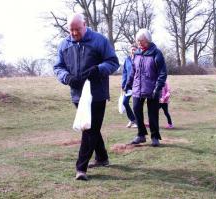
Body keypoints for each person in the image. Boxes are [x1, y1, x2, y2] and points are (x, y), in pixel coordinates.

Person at [53, 13, 119, 181]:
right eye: (71, 29)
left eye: (77, 29)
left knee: (88, 129)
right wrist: (67, 78)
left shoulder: (99, 40)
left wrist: (98, 69)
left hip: (97, 94)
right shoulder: (64, 44)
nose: (74, 33)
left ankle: (81, 168)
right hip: (77, 95)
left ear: (85, 24)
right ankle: (102, 158)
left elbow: (113, 62)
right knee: (91, 128)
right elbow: (58, 67)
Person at [124, 28, 167, 147]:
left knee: (153, 113)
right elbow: (133, 71)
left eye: (140, 40)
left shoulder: (156, 53)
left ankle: (154, 137)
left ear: (147, 40)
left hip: (153, 88)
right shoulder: (136, 53)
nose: (138, 43)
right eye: (137, 40)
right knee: (137, 110)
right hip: (137, 88)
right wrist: (128, 83)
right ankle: (141, 135)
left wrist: (158, 88)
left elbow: (162, 73)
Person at [121, 43, 138, 128]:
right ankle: (132, 119)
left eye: (134, 49)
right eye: (132, 49)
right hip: (128, 85)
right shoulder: (127, 60)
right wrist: (123, 85)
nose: (133, 50)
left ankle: (137, 121)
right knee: (125, 102)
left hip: (137, 86)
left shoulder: (139, 59)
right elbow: (124, 73)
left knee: (136, 105)